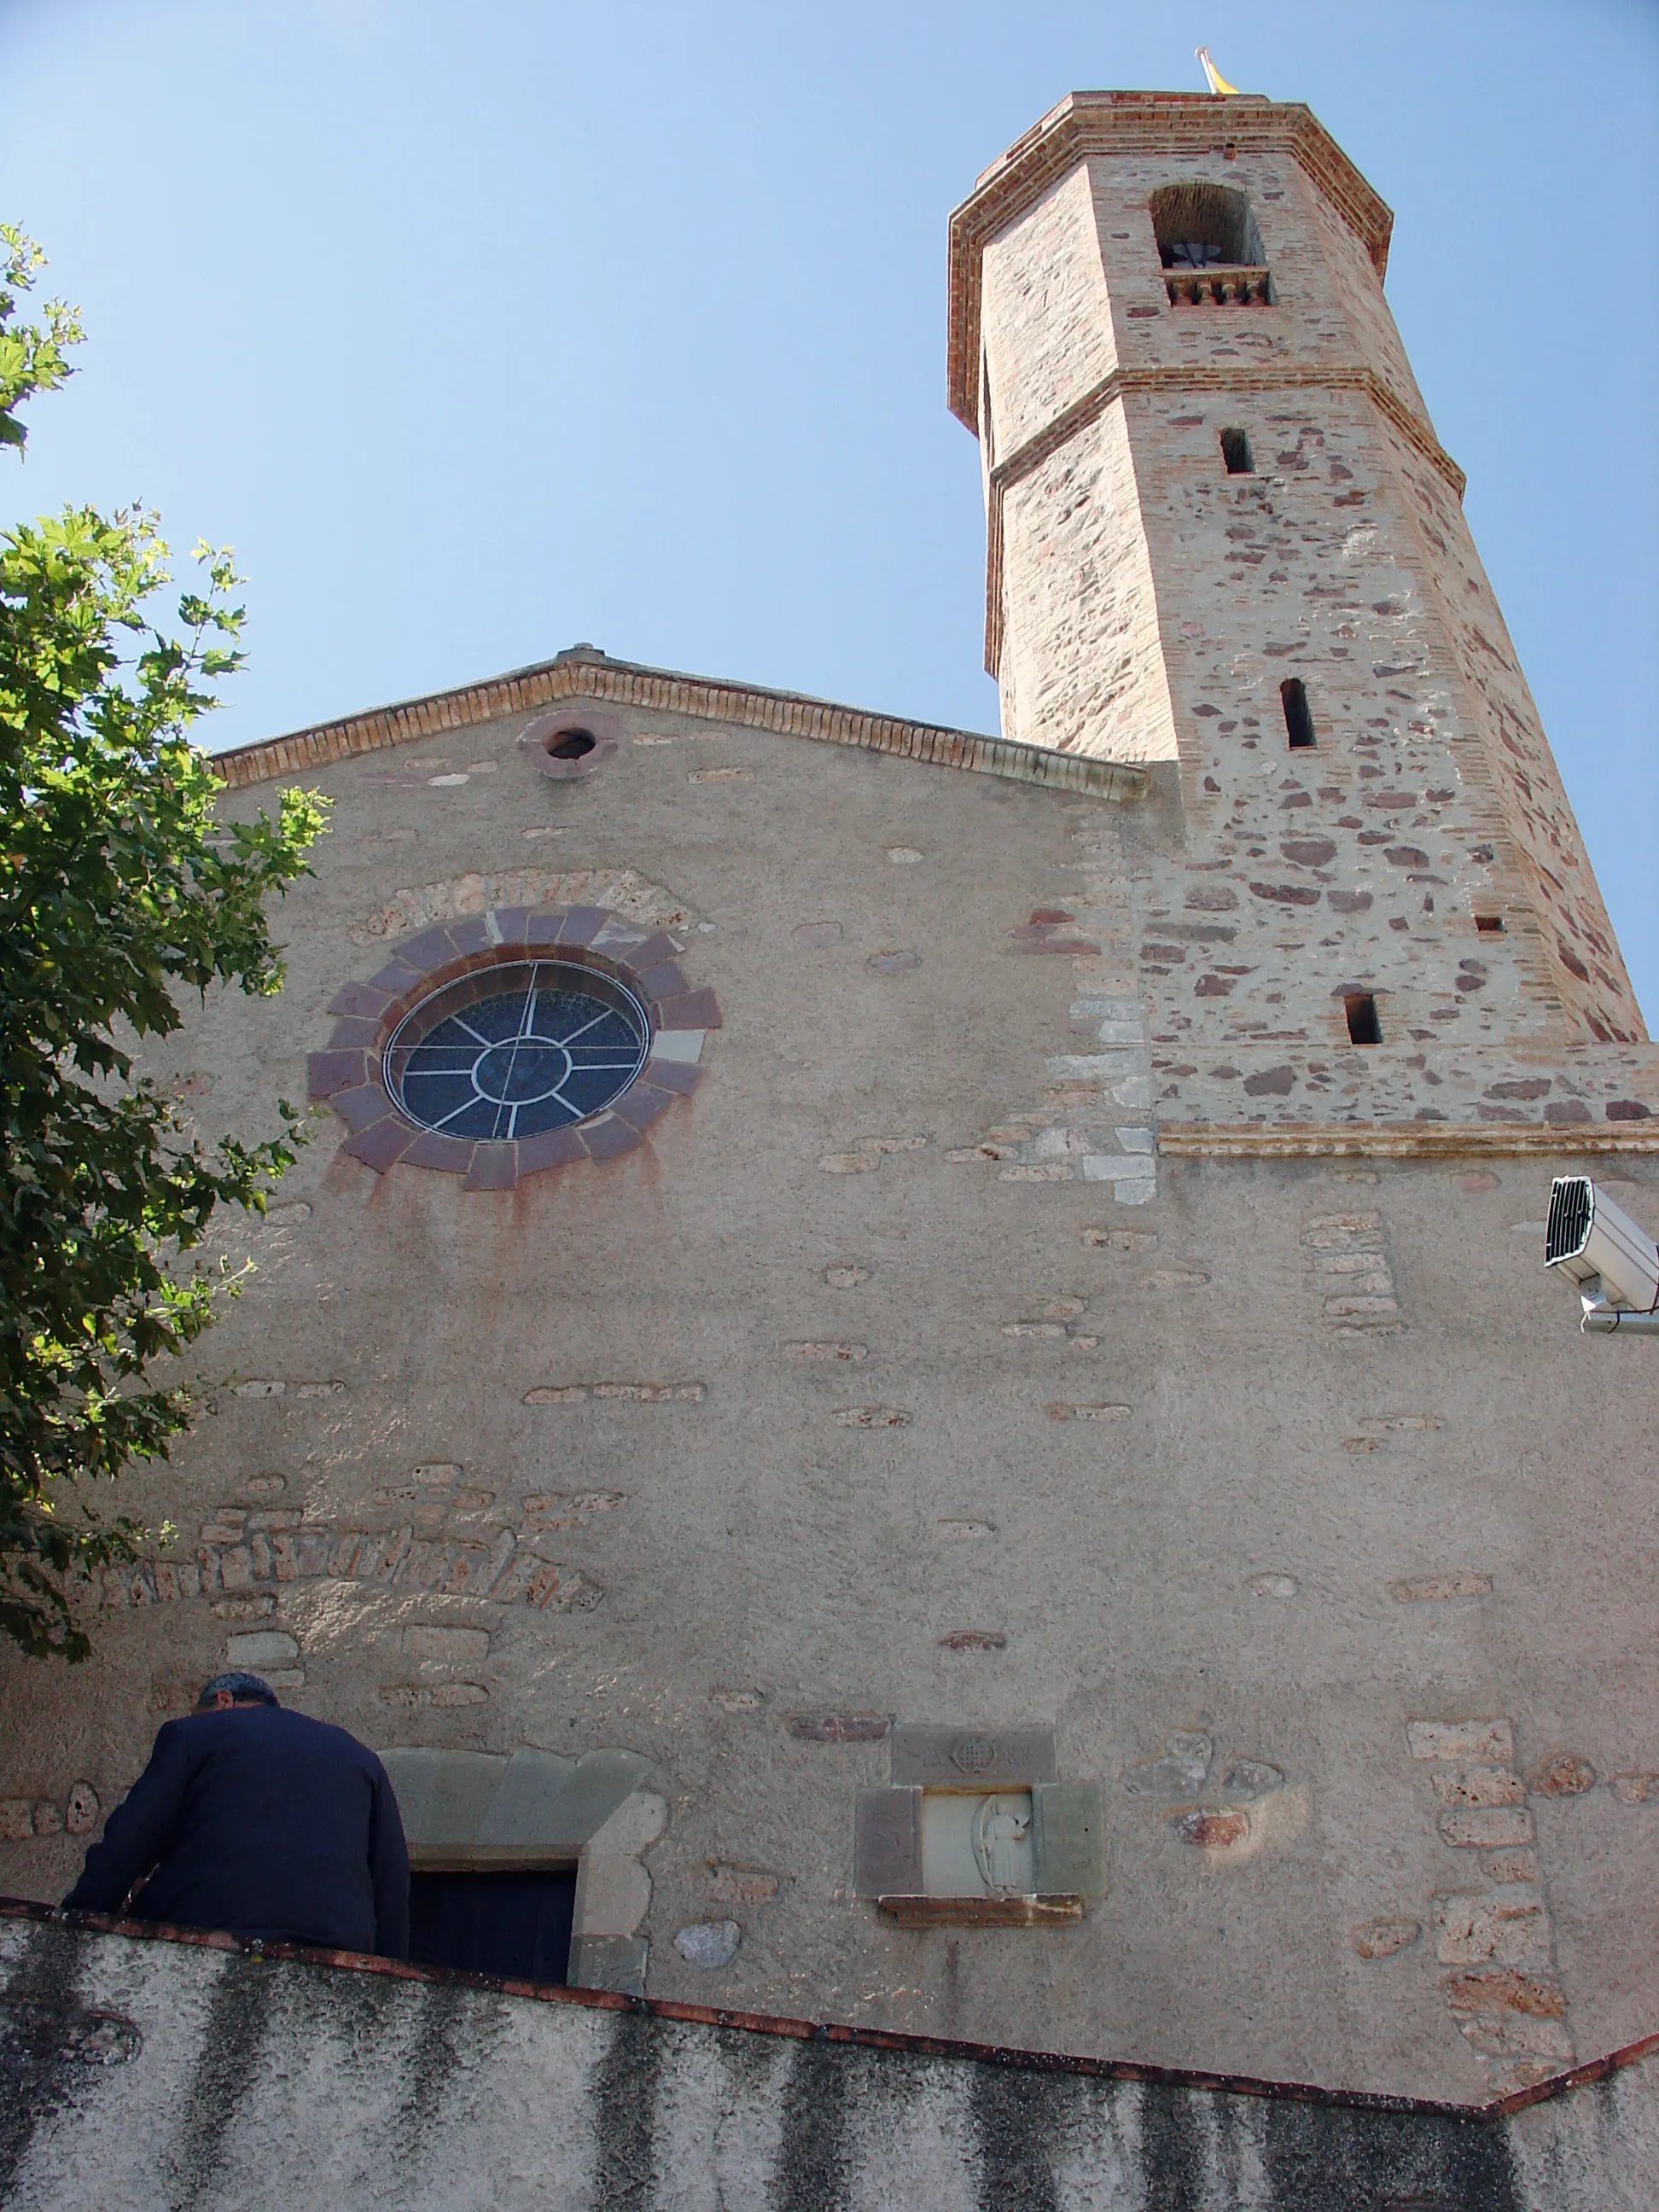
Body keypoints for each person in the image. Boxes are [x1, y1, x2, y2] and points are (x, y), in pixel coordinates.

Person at [62, 1672, 410, 1958]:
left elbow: (130, 1839)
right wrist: (390, 1973)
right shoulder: (360, 1757)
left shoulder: (192, 1734)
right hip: (337, 1946)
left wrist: (77, 1920)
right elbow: (391, 1878)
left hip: (203, 1931)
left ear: (224, 1701)